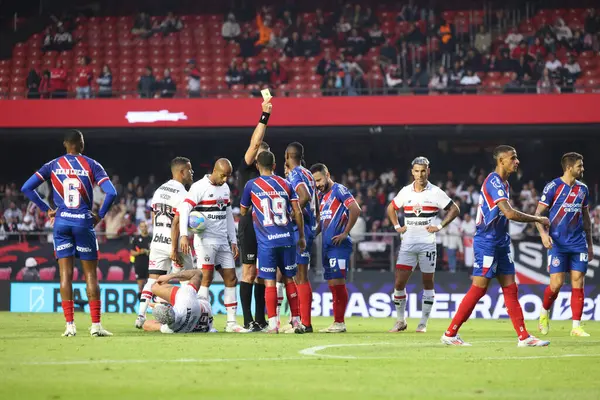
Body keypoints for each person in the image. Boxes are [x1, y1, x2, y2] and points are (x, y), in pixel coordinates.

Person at [441, 145, 550, 347]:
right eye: (513, 158)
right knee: (479, 288)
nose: (517, 161)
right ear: (501, 161)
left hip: (500, 242)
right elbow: (509, 213)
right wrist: (537, 218)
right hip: (487, 242)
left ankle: (524, 337)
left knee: (510, 287)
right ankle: (450, 333)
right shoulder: (493, 181)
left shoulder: (505, 184)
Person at [21, 129, 117, 336]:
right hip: (83, 222)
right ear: (81, 145)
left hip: (62, 222)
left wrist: (46, 209)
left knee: (65, 274)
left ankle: (70, 326)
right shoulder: (92, 165)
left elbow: (27, 188)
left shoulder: (53, 165)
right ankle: (96, 326)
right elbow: (112, 192)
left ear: (65, 144)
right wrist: (99, 215)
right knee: (90, 274)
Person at [386, 157, 460, 333]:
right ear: (412, 172)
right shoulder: (405, 192)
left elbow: (455, 209)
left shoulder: (435, 192)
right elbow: (391, 208)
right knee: (398, 283)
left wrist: (440, 226)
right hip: (408, 244)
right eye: (417, 171)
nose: (420, 174)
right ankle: (400, 320)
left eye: (423, 170)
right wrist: (397, 226)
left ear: (428, 171)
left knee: (427, 282)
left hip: (427, 244)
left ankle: (423, 322)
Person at [178, 158, 248, 333]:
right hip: (205, 241)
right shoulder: (199, 187)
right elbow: (185, 209)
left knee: (231, 278)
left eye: (228, 176)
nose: (226, 179)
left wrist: (233, 240)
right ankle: (204, 323)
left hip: (223, 240)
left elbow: (228, 214)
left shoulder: (225, 188)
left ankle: (231, 323)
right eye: (223, 175)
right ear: (216, 170)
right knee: (206, 280)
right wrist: (184, 235)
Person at [240, 151, 305, 334]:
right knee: (289, 279)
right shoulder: (286, 183)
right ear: (275, 165)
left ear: (257, 166)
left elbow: (244, 211)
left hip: (267, 242)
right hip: (287, 239)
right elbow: (298, 211)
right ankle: (296, 321)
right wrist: (300, 237)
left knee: (269, 282)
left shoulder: (251, 185)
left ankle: (274, 324)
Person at [536, 152, 593, 337]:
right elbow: (538, 215)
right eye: (579, 166)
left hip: (578, 244)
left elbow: (586, 219)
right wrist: (544, 235)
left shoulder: (583, 189)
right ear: (569, 167)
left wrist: (590, 244)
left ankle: (576, 326)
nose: (582, 169)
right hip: (558, 244)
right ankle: (544, 313)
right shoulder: (553, 187)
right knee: (556, 284)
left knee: (578, 282)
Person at [135, 157, 195, 329]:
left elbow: (154, 217)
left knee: (152, 280)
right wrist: (174, 247)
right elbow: (177, 222)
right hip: (175, 244)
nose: (192, 173)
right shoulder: (184, 194)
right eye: (190, 170)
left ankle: (140, 316)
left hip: (157, 242)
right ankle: (188, 315)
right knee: (187, 279)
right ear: (182, 172)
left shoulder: (159, 190)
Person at [310, 163, 361, 333]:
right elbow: (323, 221)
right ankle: (336, 321)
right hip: (327, 246)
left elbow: (355, 209)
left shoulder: (339, 190)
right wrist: (312, 235)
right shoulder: (321, 195)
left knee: (338, 283)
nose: (318, 184)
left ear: (327, 174)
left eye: (319, 180)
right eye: (315, 181)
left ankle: (340, 323)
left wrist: (345, 232)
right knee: (332, 284)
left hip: (339, 246)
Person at [237, 99, 273, 332]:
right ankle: (248, 319)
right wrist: (264, 115)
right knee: (249, 271)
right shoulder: (246, 168)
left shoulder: (270, 176)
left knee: (264, 273)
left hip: (268, 226)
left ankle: (261, 319)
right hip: (250, 223)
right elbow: (256, 141)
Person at [284, 142, 318, 333]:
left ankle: (305, 323)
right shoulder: (308, 173)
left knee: (301, 276)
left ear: (288, 155)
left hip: (300, 228)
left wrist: (291, 215)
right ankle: (299, 320)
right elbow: (316, 201)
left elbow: (303, 196)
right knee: (299, 276)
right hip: (308, 225)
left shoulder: (295, 174)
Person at [143, 269, 214, 334]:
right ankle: (160, 302)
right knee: (155, 287)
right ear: (169, 307)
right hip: (199, 307)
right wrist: (170, 276)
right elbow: (198, 273)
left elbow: (146, 325)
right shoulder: (185, 297)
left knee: (148, 324)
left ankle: (159, 303)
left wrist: (157, 307)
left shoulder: (170, 328)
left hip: (205, 324)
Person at [130, 221, 152, 295]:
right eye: (142, 226)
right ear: (139, 228)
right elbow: (132, 252)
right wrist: (140, 252)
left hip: (149, 264)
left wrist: (148, 252)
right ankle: (140, 302)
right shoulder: (136, 239)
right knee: (140, 286)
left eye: (145, 226)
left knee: (149, 285)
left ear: (147, 227)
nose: (143, 228)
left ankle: (149, 303)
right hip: (139, 264)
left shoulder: (151, 239)